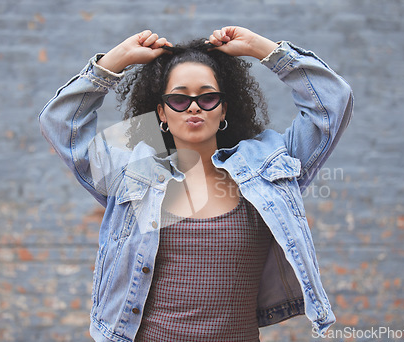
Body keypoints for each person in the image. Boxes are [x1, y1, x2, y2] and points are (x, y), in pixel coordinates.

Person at [39, 26, 353, 342]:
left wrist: (265, 50)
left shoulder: (268, 170)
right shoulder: (132, 175)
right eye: (178, 98)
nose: (193, 106)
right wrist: (113, 62)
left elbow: (332, 104)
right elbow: (62, 125)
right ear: (161, 112)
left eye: (208, 97)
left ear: (223, 109)